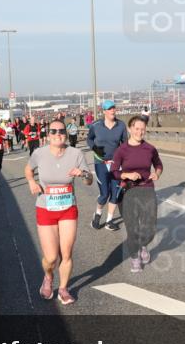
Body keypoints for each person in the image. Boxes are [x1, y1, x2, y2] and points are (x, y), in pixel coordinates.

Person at [25, 119, 92, 305]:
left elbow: (89, 180)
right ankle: (48, 276)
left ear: (66, 133)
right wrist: (31, 182)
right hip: (45, 208)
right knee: (51, 258)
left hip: (68, 208)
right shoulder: (39, 153)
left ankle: (63, 288)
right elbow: (28, 169)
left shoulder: (76, 153)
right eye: (53, 131)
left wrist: (83, 174)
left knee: (67, 253)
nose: (58, 134)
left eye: (61, 131)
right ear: (48, 135)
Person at [113, 116, 163, 272]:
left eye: (143, 129)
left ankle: (143, 245)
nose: (140, 132)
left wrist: (157, 173)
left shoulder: (150, 148)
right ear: (129, 129)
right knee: (132, 227)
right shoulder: (122, 150)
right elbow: (114, 172)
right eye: (137, 129)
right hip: (128, 191)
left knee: (150, 228)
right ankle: (135, 257)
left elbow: (158, 164)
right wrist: (127, 175)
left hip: (147, 189)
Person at [86, 100, 128, 231]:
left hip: (116, 164)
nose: (112, 111)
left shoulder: (121, 125)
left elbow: (125, 144)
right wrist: (95, 148)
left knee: (115, 193)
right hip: (101, 163)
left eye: (114, 108)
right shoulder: (96, 125)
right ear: (103, 111)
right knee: (104, 194)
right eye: (109, 109)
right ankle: (97, 215)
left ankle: (109, 221)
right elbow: (89, 139)